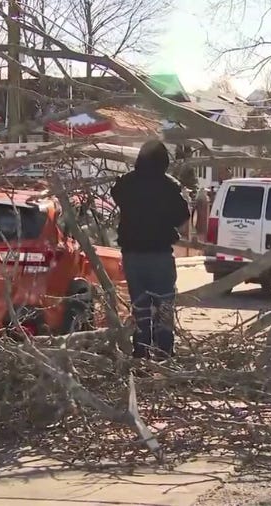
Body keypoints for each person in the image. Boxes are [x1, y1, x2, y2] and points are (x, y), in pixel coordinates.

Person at [110, 140, 190, 359]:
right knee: (164, 303)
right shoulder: (169, 186)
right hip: (160, 254)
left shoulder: (127, 183)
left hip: (133, 255)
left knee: (140, 305)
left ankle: (141, 348)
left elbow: (115, 194)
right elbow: (183, 217)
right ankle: (164, 351)